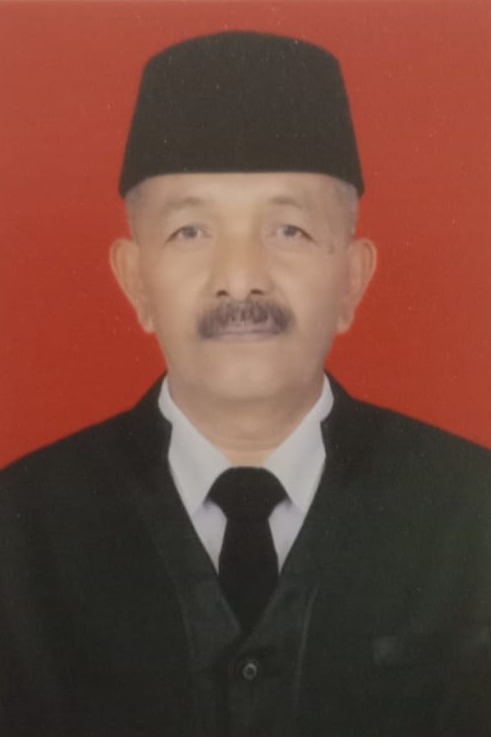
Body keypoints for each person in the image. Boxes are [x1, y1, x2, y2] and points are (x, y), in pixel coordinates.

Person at [0, 30, 490, 737]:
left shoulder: (473, 509)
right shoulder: (18, 532)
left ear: (352, 280)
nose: (239, 278)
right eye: (190, 232)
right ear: (135, 281)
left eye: (288, 230)